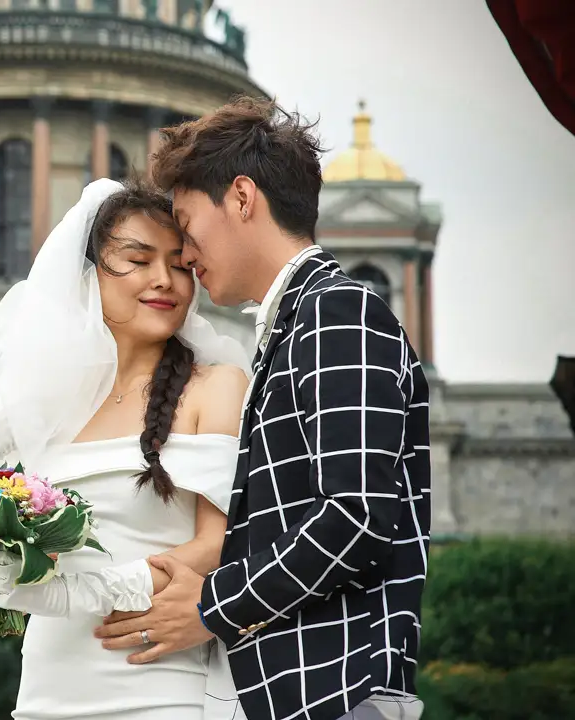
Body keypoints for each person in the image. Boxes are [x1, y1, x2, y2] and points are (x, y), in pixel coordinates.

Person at [95, 97, 432, 720]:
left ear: (242, 198)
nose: (186, 254)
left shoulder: (340, 312)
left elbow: (355, 519)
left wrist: (211, 607)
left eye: (189, 223)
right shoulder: (294, 327)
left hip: (333, 694)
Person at [0, 178, 253, 720]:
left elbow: (222, 544)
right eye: (138, 260)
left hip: (158, 681)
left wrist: (85, 592)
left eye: (180, 263)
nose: (164, 280)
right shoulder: (53, 401)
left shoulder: (218, 386)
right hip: (48, 685)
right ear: (89, 277)